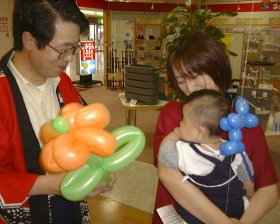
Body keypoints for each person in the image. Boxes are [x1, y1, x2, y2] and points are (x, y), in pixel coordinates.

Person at [0, 0, 115, 223]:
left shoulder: (62, 82)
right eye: (63, 49)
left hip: (70, 204)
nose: (70, 58)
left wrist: (98, 169)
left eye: (74, 47)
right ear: (29, 40)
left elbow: (83, 137)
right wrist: (53, 184)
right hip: (25, 210)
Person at [152, 30, 279, 224]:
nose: (189, 88)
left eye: (194, 76)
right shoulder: (176, 115)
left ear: (216, 68)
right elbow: (169, 175)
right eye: (181, 81)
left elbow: (268, 189)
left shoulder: (244, 122)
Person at [158, 89, 254, 224]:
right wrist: (250, 193)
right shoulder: (235, 149)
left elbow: (165, 154)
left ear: (200, 132)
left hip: (199, 219)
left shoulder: (190, 153)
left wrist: (175, 134)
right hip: (237, 212)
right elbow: (247, 175)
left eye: (184, 120)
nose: (180, 123)